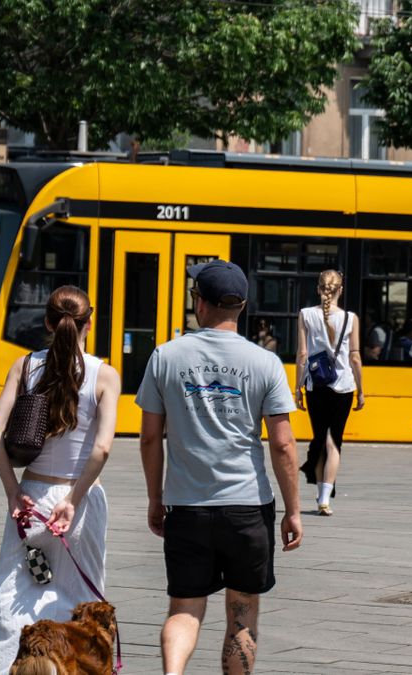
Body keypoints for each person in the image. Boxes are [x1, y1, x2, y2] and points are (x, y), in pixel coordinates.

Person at [137, 260, 302, 675]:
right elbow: (283, 444)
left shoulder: (165, 356)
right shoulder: (265, 362)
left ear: (200, 303)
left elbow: (149, 438)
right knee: (242, 614)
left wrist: (156, 500)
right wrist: (294, 510)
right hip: (247, 508)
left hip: (186, 507)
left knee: (184, 608)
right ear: (241, 306)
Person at [0, 286, 120, 674]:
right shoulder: (104, 375)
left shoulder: (24, 366)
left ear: (47, 322)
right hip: (81, 501)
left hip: (31, 496)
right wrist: (73, 500)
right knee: (80, 598)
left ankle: (13, 668)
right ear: (88, 324)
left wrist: (13, 492)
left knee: (17, 590)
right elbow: (101, 449)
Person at [295, 269, 365, 516]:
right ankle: (324, 498)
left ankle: (319, 492)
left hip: (315, 385)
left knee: (319, 438)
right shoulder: (351, 318)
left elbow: (302, 355)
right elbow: (355, 357)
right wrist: (361, 391)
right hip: (343, 386)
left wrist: (297, 388)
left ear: (318, 289)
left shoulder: (305, 315)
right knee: (334, 441)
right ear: (340, 290)